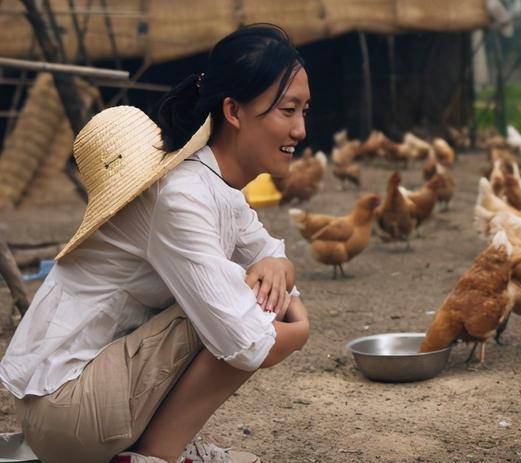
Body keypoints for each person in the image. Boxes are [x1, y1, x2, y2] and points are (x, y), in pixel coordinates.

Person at [0, 24, 310, 463]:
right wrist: (299, 330)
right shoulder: (181, 196)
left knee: (238, 298)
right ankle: (157, 455)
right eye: (288, 110)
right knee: (232, 306)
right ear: (234, 112)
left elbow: (269, 257)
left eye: (304, 110)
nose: (300, 129)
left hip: (88, 402)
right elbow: (246, 340)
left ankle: (156, 448)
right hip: (64, 412)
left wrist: (282, 267)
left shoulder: (217, 189)